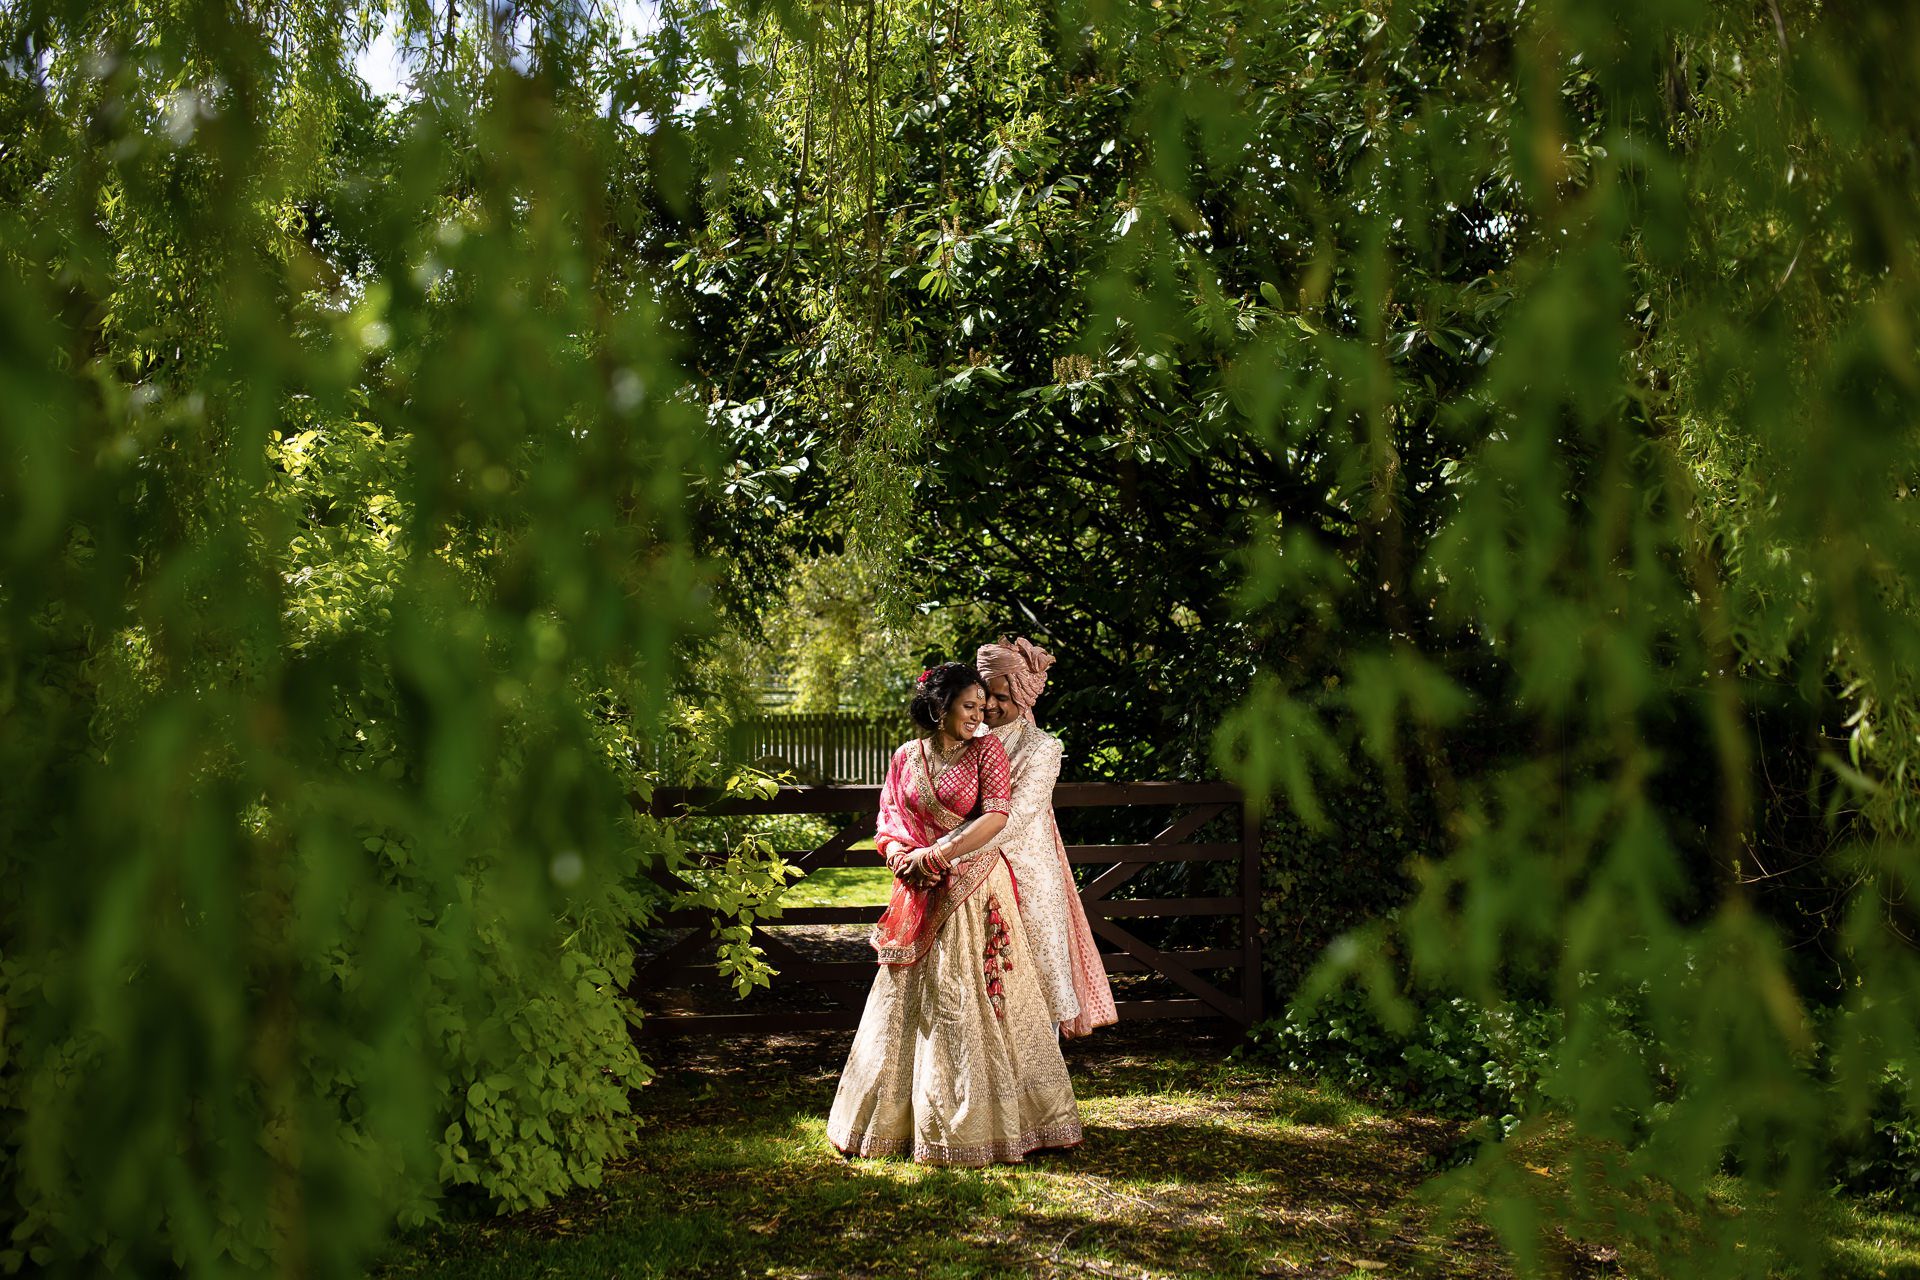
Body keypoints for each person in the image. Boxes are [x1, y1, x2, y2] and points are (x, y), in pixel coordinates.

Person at [825, 661, 1083, 1165]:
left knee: (972, 998)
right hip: (920, 890)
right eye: (970, 706)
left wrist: (939, 855)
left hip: (977, 889)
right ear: (940, 708)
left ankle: (996, 1124)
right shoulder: (906, 756)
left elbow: (997, 812)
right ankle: (894, 1125)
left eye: (984, 707)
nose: (980, 715)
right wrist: (903, 859)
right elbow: (891, 818)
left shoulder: (986, 750)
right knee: (910, 1003)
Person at [976, 637, 1118, 1038]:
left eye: (1001, 696)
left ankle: (1045, 1084)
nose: (989, 705)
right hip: (972, 877)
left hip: (1028, 877)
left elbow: (1016, 817)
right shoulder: (964, 740)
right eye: (984, 694)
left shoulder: (1041, 747)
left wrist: (948, 851)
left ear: (1023, 694)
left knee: (1038, 976)